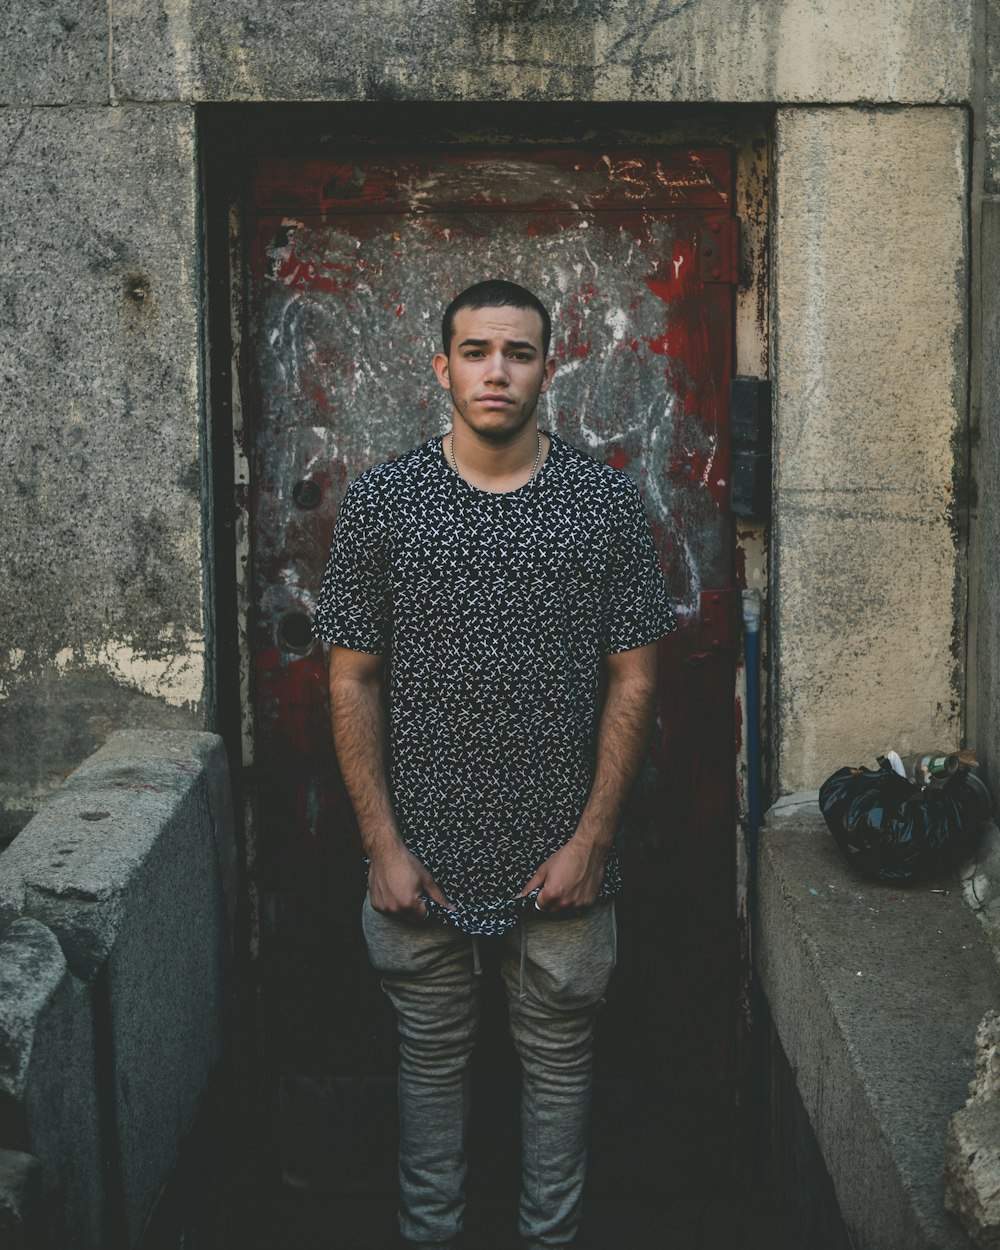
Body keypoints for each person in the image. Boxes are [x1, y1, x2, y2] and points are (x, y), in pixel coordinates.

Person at [313, 279, 675, 1250]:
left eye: (517, 351)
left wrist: (591, 839)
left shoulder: (601, 501)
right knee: (427, 1097)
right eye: (475, 350)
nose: (496, 370)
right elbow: (351, 679)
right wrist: (381, 844)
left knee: (558, 1093)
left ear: (545, 366)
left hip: (562, 870)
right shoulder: (385, 501)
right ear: (442, 366)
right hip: (416, 868)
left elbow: (634, 677)